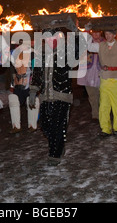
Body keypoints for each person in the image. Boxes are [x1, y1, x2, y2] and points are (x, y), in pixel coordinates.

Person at [29, 27, 77, 166]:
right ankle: (59, 144)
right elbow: (37, 73)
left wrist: (75, 31)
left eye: (52, 37)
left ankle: (54, 154)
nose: (50, 40)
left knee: (57, 125)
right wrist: (33, 91)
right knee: (45, 126)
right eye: (47, 38)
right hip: (45, 96)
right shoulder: (41, 54)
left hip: (61, 95)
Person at [8, 41, 38, 133]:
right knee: (13, 99)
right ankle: (16, 126)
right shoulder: (14, 53)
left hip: (30, 83)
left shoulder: (34, 54)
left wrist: (35, 87)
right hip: (18, 83)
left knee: (32, 100)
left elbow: (37, 71)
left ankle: (32, 125)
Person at [77, 30, 104, 120]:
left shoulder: (105, 42)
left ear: (101, 33)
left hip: (101, 73)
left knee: (102, 95)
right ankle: (95, 114)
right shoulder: (86, 42)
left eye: (98, 32)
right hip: (88, 73)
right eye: (94, 32)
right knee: (92, 95)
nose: (96, 34)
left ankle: (102, 112)